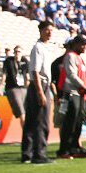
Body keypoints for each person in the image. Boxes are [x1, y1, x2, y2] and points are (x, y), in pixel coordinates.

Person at [56, 33, 86, 159]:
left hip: (79, 94)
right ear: (76, 44)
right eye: (83, 44)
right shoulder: (70, 56)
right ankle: (64, 150)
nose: (85, 47)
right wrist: (84, 87)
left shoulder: (79, 58)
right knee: (69, 123)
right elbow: (71, 75)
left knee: (78, 123)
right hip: (71, 93)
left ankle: (74, 148)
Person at [21, 21, 55, 164]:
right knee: (41, 121)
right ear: (41, 30)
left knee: (31, 121)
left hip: (42, 85)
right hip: (39, 85)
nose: (49, 33)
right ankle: (39, 154)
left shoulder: (46, 48)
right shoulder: (38, 48)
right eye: (47, 30)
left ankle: (27, 153)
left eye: (51, 30)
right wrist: (40, 92)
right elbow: (35, 71)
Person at [0, 46, 28, 128]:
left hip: (23, 88)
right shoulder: (9, 61)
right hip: (13, 88)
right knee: (22, 113)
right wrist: (0, 87)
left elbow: (27, 77)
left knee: (27, 112)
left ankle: (27, 135)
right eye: (16, 52)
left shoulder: (25, 61)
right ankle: (26, 137)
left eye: (19, 52)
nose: (17, 53)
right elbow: (4, 75)